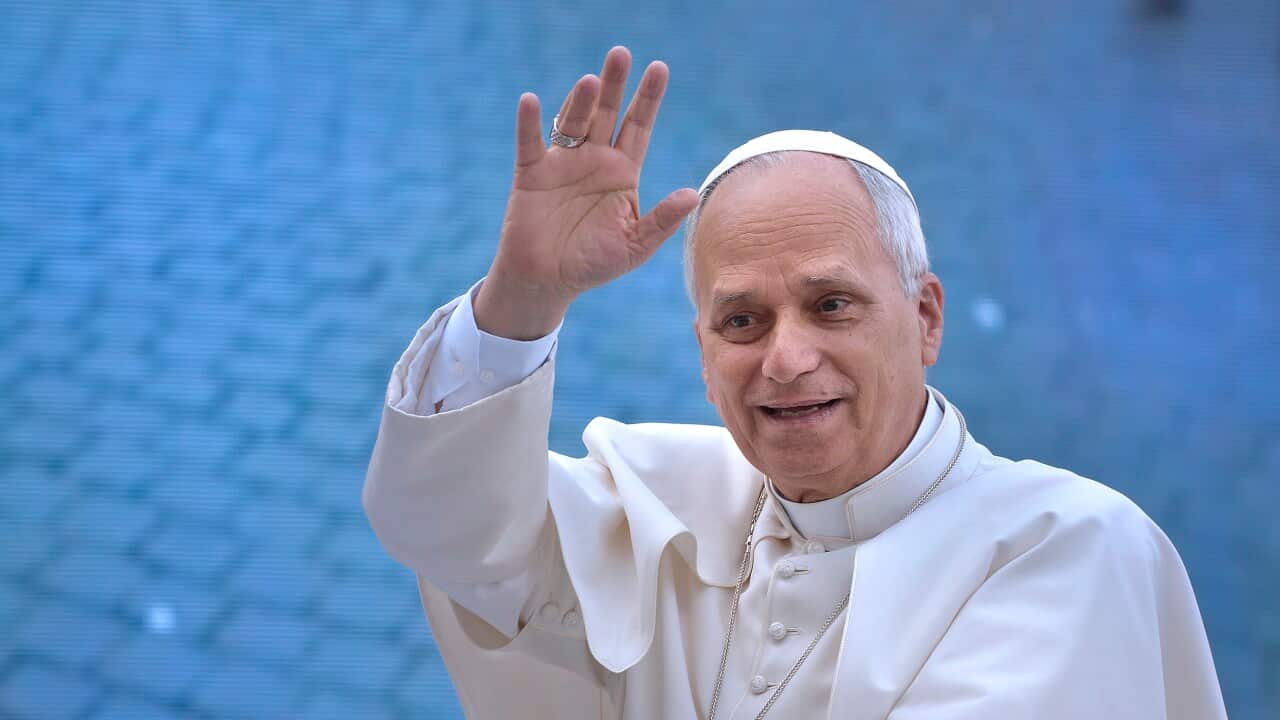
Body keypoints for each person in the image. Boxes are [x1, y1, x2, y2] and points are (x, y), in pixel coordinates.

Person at [363, 46, 1226, 719]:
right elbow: (445, 526)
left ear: (925, 318)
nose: (785, 359)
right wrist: (525, 298)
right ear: (704, 359)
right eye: (742, 321)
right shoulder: (663, 505)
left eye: (832, 304)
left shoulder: (1072, 549)